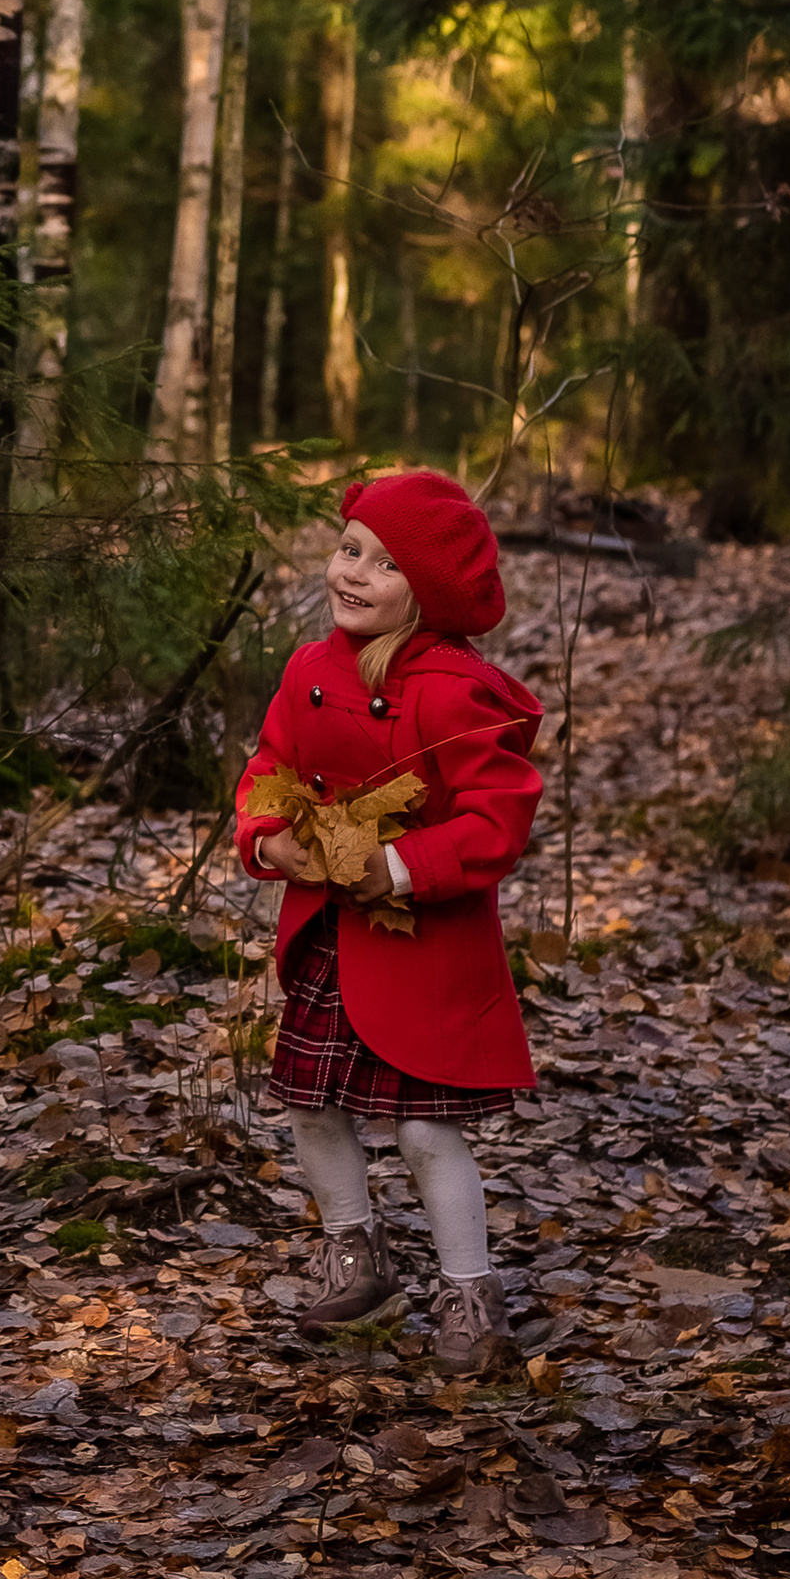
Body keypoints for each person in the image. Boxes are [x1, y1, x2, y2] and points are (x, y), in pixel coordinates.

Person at [237, 469, 543, 1382]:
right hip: (331, 932)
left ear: (431, 593)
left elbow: (499, 816)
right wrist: (267, 842)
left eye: (385, 563)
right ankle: (354, 1253)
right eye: (349, 549)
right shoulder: (309, 671)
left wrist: (400, 867)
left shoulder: (456, 693)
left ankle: (469, 1295)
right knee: (310, 1098)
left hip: (423, 947)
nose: (354, 572)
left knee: (423, 1132)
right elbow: (269, 763)